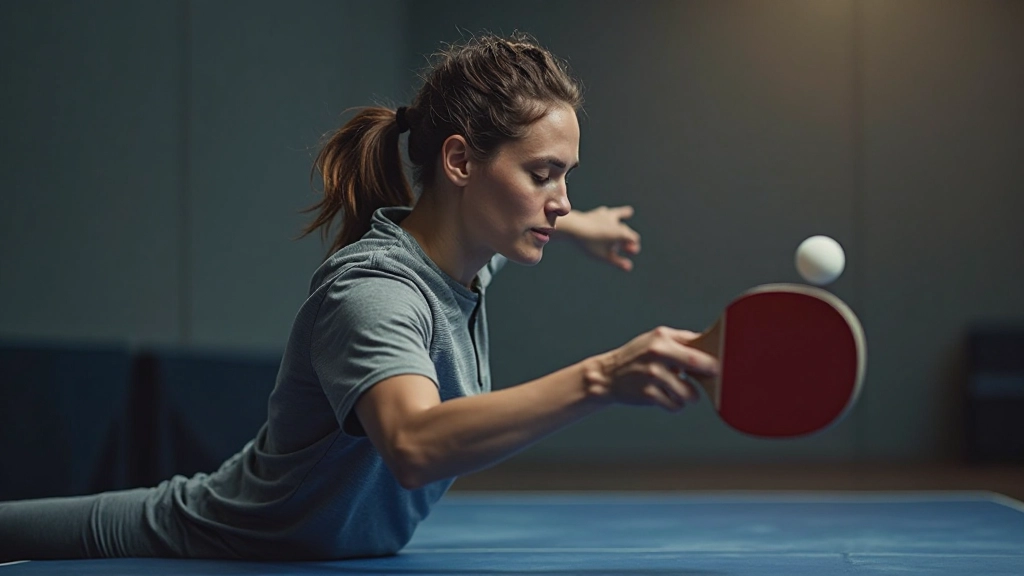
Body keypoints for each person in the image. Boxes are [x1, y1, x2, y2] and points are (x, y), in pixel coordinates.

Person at [0, 33, 718, 562]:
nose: (561, 200)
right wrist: (600, 378)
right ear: (460, 160)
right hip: (204, 538)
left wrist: (581, 227)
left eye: (568, 177)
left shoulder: (465, 259)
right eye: (545, 174)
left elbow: (524, 225)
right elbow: (411, 442)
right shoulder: (374, 294)